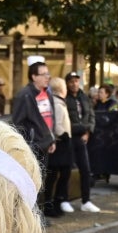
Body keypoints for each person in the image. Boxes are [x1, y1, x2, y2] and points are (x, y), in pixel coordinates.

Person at [10, 60, 57, 170]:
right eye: (44, 74)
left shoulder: (47, 94)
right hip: (33, 147)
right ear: (34, 77)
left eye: (48, 74)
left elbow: (50, 119)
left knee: (42, 180)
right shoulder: (24, 95)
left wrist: (52, 140)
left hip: (46, 144)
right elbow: (18, 123)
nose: (47, 77)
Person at [64, 71, 99, 212]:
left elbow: (91, 115)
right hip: (69, 137)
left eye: (76, 81)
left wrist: (88, 131)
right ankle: (64, 199)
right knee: (67, 170)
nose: (74, 84)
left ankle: (86, 201)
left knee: (85, 169)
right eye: (71, 81)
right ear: (67, 83)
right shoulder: (65, 98)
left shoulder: (84, 97)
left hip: (82, 138)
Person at [41, 76, 73, 217]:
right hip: (60, 143)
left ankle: (54, 202)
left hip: (59, 142)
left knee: (56, 174)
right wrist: (65, 135)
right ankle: (51, 204)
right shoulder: (58, 104)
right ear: (61, 88)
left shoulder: (57, 102)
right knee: (55, 174)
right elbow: (57, 124)